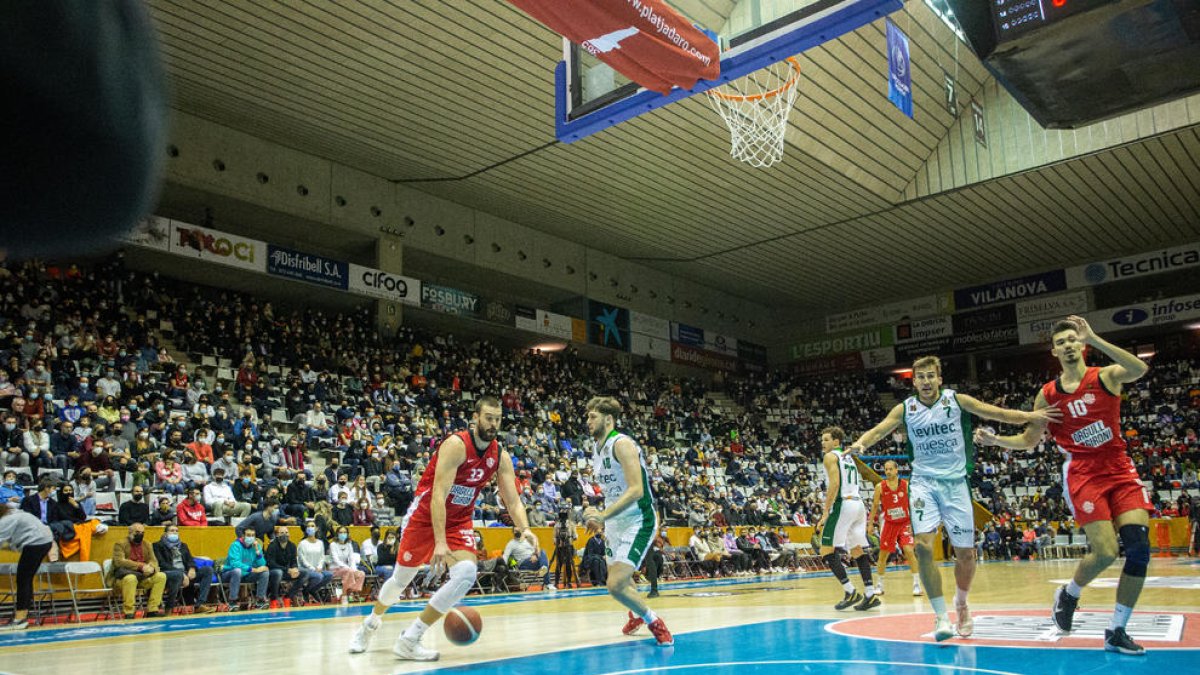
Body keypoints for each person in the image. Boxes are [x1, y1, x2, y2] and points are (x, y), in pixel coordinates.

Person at [850, 355, 1060, 641]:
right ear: (914, 382)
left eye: (930, 376)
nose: (926, 381)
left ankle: (961, 602)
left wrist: (1030, 417)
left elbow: (997, 413)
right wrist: (862, 443)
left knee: (966, 555)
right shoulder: (906, 408)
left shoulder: (957, 401)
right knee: (923, 547)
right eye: (920, 377)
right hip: (923, 484)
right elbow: (880, 429)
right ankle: (940, 616)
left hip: (956, 484)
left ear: (939, 379)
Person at [976, 315, 1151, 655]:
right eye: (1061, 342)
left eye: (1073, 339)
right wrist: (996, 440)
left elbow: (1139, 369)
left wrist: (1096, 338)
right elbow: (1029, 440)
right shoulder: (1047, 395)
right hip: (1083, 474)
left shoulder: (1105, 377)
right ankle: (1068, 595)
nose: (1068, 345)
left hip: (1119, 469)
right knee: (1106, 552)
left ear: (1081, 344)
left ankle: (1117, 630)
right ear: (1054, 351)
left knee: (1139, 550)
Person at [349, 396, 537, 661]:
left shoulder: (500, 456)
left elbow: (513, 500)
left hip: (458, 521)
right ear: (476, 417)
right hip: (425, 517)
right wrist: (439, 541)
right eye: (488, 418)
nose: (493, 424)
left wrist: (525, 528)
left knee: (466, 573)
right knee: (400, 581)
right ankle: (370, 623)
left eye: (497, 419)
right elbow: (439, 494)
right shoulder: (456, 445)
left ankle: (410, 638)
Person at [583, 396, 673, 646]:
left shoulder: (621, 444)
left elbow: (636, 490)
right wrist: (597, 513)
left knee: (615, 584)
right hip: (615, 522)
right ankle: (635, 614)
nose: (588, 421)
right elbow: (613, 490)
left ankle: (654, 620)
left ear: (608, 419)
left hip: (638, 518)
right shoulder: (596, 448)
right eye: (588, 416)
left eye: (593, 416)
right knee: (620, 579)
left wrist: (602, 515)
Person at [816, 427, 878, 611]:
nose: (823, 443)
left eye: (826, 439)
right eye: (822, 439)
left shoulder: (830, 456)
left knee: (826, 549)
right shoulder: (849, 457)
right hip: (859, 504)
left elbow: (835, 484)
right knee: (857, 549)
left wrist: (825, 512)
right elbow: (867, 474)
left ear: (836, 441)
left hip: (843, 503)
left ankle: (850, 591)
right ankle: (870, 594)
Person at [867, 460, 921, 597]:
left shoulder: (906, 485)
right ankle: (879, 585)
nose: (888, 471)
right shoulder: (880, 487)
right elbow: (875, 506)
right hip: (889, 524)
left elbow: (913, 505)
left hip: (904, 523)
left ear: (897, 470)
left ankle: (917, 585)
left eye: (891, 469)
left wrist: (915, 524)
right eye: (886, 469)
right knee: (883, 555)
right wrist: (870, 523)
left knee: (909, 551)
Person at [0, 506, 54, 630]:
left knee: (23, 580)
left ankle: (20, 619)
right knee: (26, 579)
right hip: (45, 541)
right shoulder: (15, 513)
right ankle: (22, 616)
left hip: (36, 543)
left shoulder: (6, 520)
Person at [152, 524, 215, 614]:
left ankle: (199, 604)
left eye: (176, 531)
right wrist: (181, 573)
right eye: (172, 531)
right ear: (165, 534)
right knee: (177, 575)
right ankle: (169, 608)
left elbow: (190, 560)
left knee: (208, 570)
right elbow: (162, 564)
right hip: (170, 573)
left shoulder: (183, 546)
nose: (174, 533)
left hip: (186, 574)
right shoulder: (157, 545)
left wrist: (192, 568)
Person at [110, 523, 168, 619]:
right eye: (137, 532)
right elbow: (119, 562)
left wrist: (151, 568)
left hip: (143, 577)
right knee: (131, 578)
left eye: (142, 533)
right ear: (130, 532)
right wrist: (141, 566)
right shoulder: (120, 544)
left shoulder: (147, 544)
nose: (140, 534)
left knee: (161, 576)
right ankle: (129, 612)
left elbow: (153, 560)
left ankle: (152, 609)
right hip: (123, 578)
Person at [222, 526, 270, 611]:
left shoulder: (256, 546)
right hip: (230, 573)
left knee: (264, 572)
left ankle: (260, 600)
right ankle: (232, 601)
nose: (250, 537)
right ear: (243, 536)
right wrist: (253, 569)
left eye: (253, 535)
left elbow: (262, 564)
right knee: (237, 571)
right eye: (248, 535)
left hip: (246, 575)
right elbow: (235, 564)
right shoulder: (235, 545)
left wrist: (257, 551)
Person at [265, 524, 308, 607]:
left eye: (286, 532)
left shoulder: (292, 546)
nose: (284, 534)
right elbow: (271, 563)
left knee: (305, 572)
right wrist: (287, 569)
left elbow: (293, 561)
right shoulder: (272, 546)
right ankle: (273, 598)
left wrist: (295, 568)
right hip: (274, 571)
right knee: (278, 572)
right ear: (277, 535)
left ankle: (288, 596)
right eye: (282, 533)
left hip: (287, 571)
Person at [503, 526, 552, 590]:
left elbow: (535, 550)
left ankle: (544, 571)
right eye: (515, 531)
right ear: (513, 532)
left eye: (518, 531)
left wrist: (534, 555)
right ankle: (547, 583)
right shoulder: (511, 544)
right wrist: (503, 565)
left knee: (542, 551)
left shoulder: (527, 541)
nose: (516, 533)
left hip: (534, 561)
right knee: (544, 563)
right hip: (523, 564)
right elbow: (505, 556)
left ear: (522, 531)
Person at [298, 519, 333, 603]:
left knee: (329, 575)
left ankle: (312, 590)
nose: (310, 528)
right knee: (319, 576)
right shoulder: (302, 543)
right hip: (305, 569)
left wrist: (319, 567)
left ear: (316, 528)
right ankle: (305, 591)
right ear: (306, 529)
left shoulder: (320, 543)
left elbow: (322, 557)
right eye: (308, 526)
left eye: (312, 526)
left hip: (318, 569)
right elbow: (302, 559)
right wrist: (313, 568)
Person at [330, 525, 366, 602]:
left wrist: (354, 569)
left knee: (361, 574)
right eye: (341, 532)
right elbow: (336, 560)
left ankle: (351, 592)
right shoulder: (333, 545)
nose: (343, 534)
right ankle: (344, 594)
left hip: (348, 570)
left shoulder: (349, 545)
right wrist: (348, 568)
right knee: (348, 571)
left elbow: (351, 559)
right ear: (337, 534)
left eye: (344, 532)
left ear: (347, 534)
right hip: (335, 569)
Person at [551, 509, 578, 589]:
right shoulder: (557, 525)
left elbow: (575, 536)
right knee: (558, 565)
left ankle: (569, 582)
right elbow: (554, 537)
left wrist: (569, 537)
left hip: (569, 546)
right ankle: (556, 582)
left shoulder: (571, 524)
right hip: (559, 547)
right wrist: (557, 541)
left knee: (569, 565)